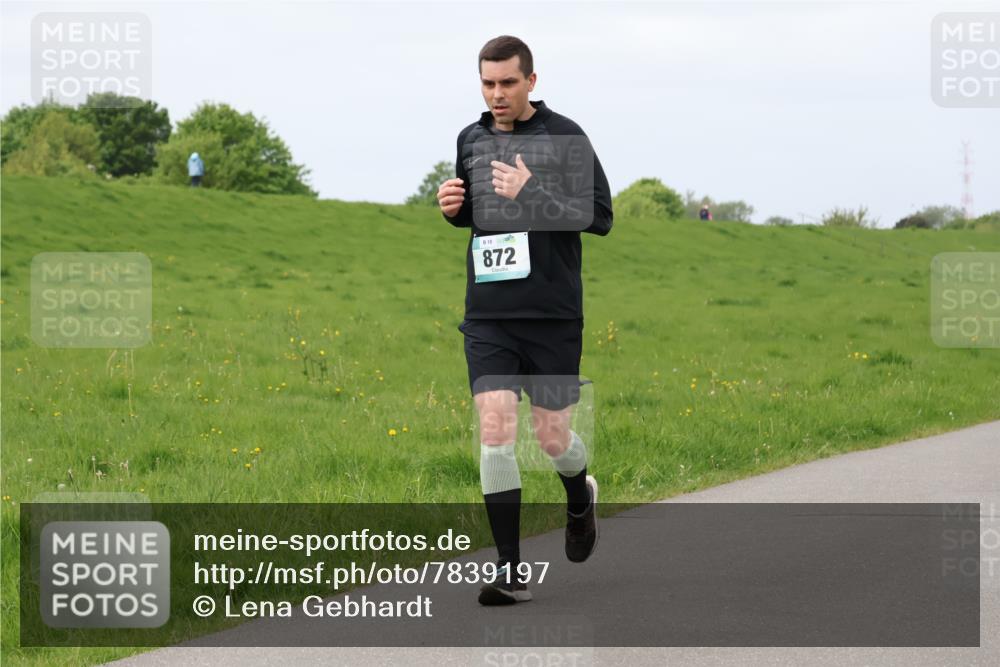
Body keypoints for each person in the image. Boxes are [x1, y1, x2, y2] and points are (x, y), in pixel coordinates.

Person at [436, 35, 613, 606]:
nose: (497, 94)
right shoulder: (471, 138)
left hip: (552, 315)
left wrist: (535, 190)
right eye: (487, 84)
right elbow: (481, 217)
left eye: (507, 83)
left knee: (553, 437)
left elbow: (600, 217)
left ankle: (580, 496)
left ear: (531, 81)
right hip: (489, 315)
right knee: (494, 435)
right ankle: (512, 574)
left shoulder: (565, 137)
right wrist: (453, 211)